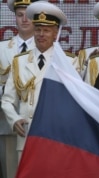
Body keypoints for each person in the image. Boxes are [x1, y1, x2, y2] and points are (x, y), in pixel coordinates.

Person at [1, 1, 79, 164]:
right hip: (26, 137)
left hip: (55, 138)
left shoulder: (69, 62)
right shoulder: (19, 61)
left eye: (46, 30)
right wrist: (14, 120)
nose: (41, 34)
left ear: (56, 32)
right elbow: (7, 100)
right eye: (38, 29)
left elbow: (75, 103)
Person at [0, 0, 46, 177]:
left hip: (39, 126)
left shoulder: (45, 49)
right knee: (11, 171)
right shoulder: (1, 49)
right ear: (15, 18)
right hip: (6, 124)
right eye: (20, 15)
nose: (24, 20)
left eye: (29, 15)